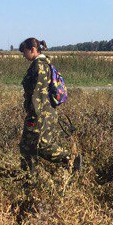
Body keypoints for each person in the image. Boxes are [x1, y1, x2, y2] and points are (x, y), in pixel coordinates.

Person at [18, 37, 77, 178]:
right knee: (36, 145)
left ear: (32, 49)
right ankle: (33, 175)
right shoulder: (45, 64)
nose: (23, 56)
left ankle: (69, 160)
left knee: (34, 146)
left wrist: (33, 114)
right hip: (46, 113)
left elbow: (37, 94)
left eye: (24, 52)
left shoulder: (39, 66)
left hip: (39, 114)